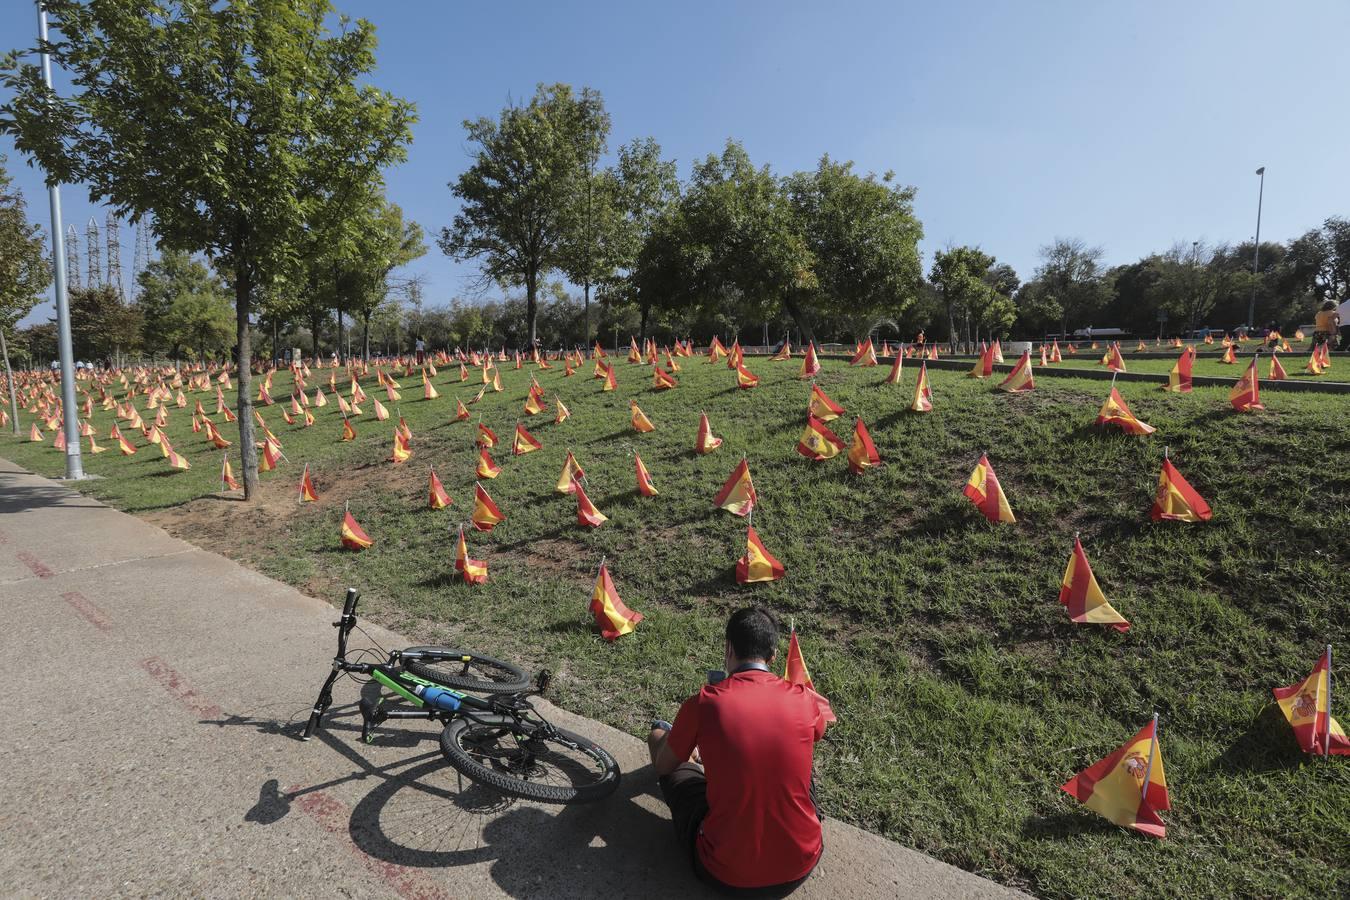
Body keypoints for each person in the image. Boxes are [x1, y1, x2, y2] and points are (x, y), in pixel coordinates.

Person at [648, 607, 827, 894]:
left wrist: (671, 739)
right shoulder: (804, 698)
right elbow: (818, 732)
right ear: (773, 658)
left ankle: (671, 739)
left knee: (659, 735)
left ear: (728, 648)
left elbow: (664, 766)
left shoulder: (704, 703)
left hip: (723, 872)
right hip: (801, 864)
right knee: (799, 769)